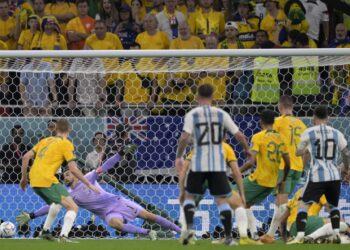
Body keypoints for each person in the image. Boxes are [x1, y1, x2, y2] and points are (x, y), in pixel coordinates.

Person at [17, 152, 181, 239]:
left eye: (67, 174)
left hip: (118, 203)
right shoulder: (69, 194)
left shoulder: (88, 177)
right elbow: (51, 207)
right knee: (115, 224)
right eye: (64, 175)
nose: (64, 177)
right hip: (107, 213)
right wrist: (31, 215)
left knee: (149, 216)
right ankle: (147, 233)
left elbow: (105, 166)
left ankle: (181, 231)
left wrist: (119, 154)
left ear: (75, 174)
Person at [175, 84, 252, 246]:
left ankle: (188, 230)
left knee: (189, 197)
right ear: (213, 96)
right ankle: (229, 237)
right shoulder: (221, 114)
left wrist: (179, 156)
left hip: (198, 163)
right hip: (217, 164)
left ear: (197, 96)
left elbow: (184, 137)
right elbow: (239, 135)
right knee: (222, 200)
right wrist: (247, 150)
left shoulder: (192, 114)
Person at [19, 119, 99, 242]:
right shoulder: (66, 143)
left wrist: (24, 178)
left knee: (56, 203)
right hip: (47, 179)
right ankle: (64, 236)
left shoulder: (44, 141)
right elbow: (73, 169)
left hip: (34, 180)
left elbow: (25, 157)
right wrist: (89, 184)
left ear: (56, 129)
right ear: (69, 130)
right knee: (73, 207)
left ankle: (45, 231)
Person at [288, 106, 350, 244]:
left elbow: (298, 152)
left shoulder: (308, 132)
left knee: (304, 205)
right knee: (333, 206)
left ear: (313, 118)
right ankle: (335, 235)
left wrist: (306, 149)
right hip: (334, 176)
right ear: (328, 118)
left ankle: (299, 236)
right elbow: (346, 153)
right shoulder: (336, 133)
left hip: (317, 175)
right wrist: (345, 168)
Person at [179, 142, 261, 245]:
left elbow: (184, 168)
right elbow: (236, 171)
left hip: (198, 176)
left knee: (189, 203)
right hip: (216, 177)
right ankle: (243, 237)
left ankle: (184, 233)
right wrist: (242, 194)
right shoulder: (226, 147)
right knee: (238, 204)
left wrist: (182, 190)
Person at [236, 109, 290, 241]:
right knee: (246, 204)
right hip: (272, 182)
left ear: (261, 122)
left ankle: (243, 237)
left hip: (259, 179)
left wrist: (236, 171)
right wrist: (282, 179)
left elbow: (251, 162)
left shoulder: (258, 137)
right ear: (274, 121)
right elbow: (288, 163)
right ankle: (254, 234)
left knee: (233, 198)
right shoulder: (281, 138)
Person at [260, 96, 307, 244]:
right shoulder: (302, 124)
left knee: (281, 203)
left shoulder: (278, 122)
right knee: (280, 202)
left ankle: (273, 235)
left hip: (284, 167)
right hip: (298, 167)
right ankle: (279, 234)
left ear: (280, 108)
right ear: (292, 107)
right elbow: (306, 150)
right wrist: (302, 166)